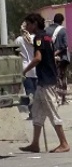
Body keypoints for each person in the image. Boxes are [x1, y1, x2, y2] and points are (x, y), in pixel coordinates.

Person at [19, 13, 69, 153]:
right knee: (37, 112)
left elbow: (38, 58)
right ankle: (35, 144)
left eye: (28, 24)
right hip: (44, 80)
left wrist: (24, 71)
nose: (27, 27)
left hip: (47, 81)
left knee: (52, 112)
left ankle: (64, 143)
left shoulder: (39, 38)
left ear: (34, 24)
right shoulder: (47, 36)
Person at [15, 22, 38, 120]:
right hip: (36, 67)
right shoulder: (36, 38)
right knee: (37, 91)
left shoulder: (18, 40)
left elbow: (15, 54)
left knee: (29, 91)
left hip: (25, 69)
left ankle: (32, 113)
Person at [46, 14, 69, 104]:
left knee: (52, 77)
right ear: (61, 21)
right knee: (62, 77)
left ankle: (54, 98)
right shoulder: (62, 30)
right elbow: (65, 45)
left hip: (49, 58)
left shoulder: (47, 30)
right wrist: (56, 53)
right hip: (62, 58)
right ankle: (63, 99)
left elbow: (46, 43)